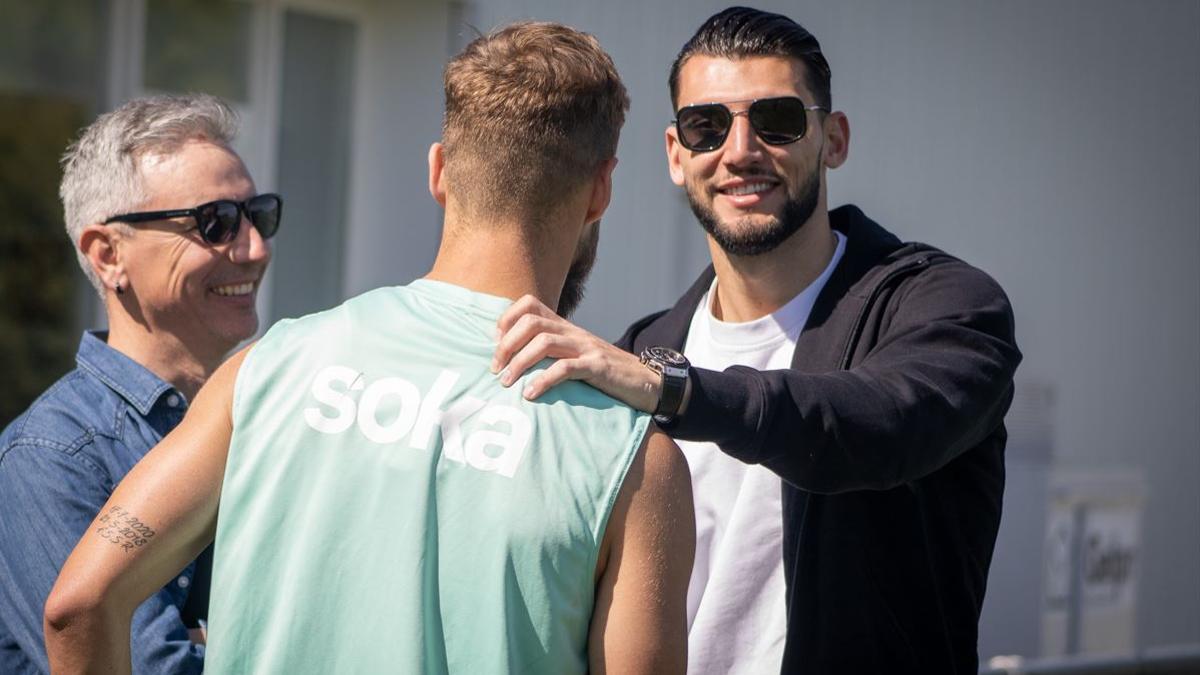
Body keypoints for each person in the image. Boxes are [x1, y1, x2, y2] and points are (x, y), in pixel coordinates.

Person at [44, 21, 694, 675]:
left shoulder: (270, 366)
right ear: (601, 191)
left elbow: (79, 602)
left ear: (439, 171)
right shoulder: (632, 462)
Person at [490, 7, 1022, 674]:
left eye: (776, 120)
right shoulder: (647, 345)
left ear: (833, 139)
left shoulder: (942, 306)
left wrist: (675, 390)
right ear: (676, 157)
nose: (740, 150)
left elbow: (879, 424)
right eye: (706, 126)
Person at [0, 94, 277, 674]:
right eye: (217, 223)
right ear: (107, 256)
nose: (255, 248)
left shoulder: (273, 414)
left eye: (260, 215)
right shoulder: (50, 457)